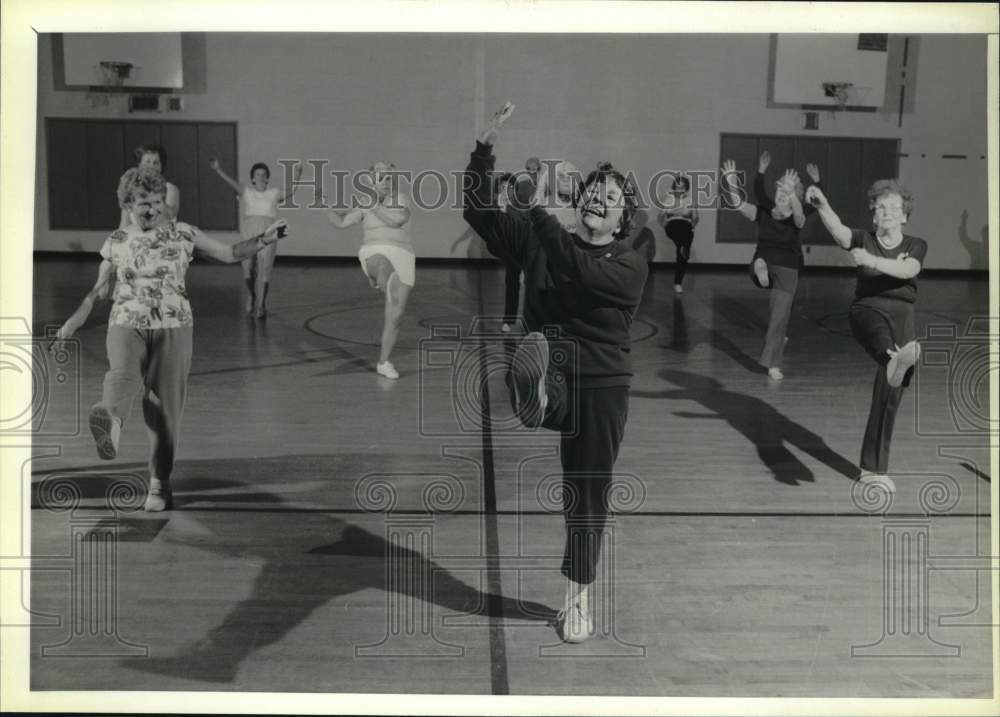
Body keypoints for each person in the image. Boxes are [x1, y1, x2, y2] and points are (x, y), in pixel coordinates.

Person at [463, 102, 648, 643]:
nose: (598, 197)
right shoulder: (542, 241)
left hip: (603, 385)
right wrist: (482, 149)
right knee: (540, 353)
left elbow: (578, 270)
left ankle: (578, 599)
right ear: (579, 199)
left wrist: (539, 213)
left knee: (586, 491)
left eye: (611, 198)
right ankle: (535, 388)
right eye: (594, 189)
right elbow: (477, 212)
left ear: (622, 218)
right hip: (558, 365)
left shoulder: (629, 261)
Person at [54, 172, 289, 511]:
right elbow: (100, 291)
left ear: (163, 203)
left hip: (174, 327)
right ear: (127, 205)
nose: (149, 209)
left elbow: (228, 253)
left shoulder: (184, 232)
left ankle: (159, 484)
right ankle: (109, 421)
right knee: (122, 376)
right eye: (141, 203)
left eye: (155, 202)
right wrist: (72, 323)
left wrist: (264, 239)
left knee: (164, 411)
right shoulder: (117, 240)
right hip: (126, 323)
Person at [807, 180, 925, 493]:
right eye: (881, 207)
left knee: (890, 395)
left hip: (904, 317)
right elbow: (840, 232)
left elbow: (907, 270)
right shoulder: (864, 238)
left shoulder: (915, 244)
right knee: (885, 348)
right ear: (874, 215)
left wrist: (872, 261)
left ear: (904, 217)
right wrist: (822, 206)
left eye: (894, 208)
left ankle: (872, 470)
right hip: (868, 310)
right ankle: (892, 358)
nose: (887, 212)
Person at [720, 152, 821, 380]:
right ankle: (760, 268)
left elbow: (798, 218)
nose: (781, 196)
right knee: (760, 267)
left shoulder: (797, 216)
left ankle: (772, 364)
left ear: (794, 197)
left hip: (787, 269)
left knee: (779, 318)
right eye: (778, 192)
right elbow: (738, 205)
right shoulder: (763, 212)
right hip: (764, 262)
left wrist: (792, 193)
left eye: (786, 194)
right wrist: (731, 182)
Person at [324, 161, 414, 380]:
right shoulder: (364, 204)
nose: (386, 181)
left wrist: (374, 207)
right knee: (382, 263)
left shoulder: (400, 200)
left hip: (403, 255)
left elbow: (397, 220)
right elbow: (341, 222)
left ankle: (383, 362)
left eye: (389, 178)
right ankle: (385, 282)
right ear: (372, 181)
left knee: (396, 317)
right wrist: (323, 205)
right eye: (381, 177)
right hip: (374, 251)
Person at [209, 158, 303, 318]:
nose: (260, 177)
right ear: (252, 178)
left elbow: (291, 191)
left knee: (265, 270)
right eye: (257, 174)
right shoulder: (246, 191)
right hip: (249, 232)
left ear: (267, 178)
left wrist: (297, 175)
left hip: (268, 231)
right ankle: (252, 295)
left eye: (263, 174)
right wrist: (218, 170)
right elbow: (230, 182)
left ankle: (261, 306)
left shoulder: (273, 193)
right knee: (248, 270)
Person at [117, 144, 180, 229]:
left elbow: (170, 215)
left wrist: (157, 195)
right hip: (138, 239)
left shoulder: (170, 189)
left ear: (161, 166)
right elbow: (124, 225)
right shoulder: (130, 190)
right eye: (147, 162)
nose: (152, 166)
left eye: (156, 163)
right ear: (139, 165)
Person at [659, 174, 700, 294]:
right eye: (677, 187)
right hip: (673, 225)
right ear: (674, 188)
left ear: (686, 188)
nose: (680, 190)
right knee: (684, 242)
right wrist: (664, 226)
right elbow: (660, 216)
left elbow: (696, 217)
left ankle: (678, 283)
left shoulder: (690, 200)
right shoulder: (669, 199)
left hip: (686, 225)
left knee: (683, 254)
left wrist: (693, 226)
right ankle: (683, 247)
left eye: (682, 187)